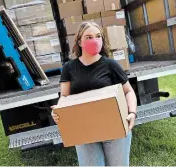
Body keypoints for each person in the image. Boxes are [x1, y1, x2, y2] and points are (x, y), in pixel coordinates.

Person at [51, 22, 137, 166]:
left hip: (114, 127)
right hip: (84, 131)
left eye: (98, 36)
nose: (94, 40)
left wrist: (132, 113)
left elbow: (128, 91)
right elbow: (64, 97)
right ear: (80, 41)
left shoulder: (111, 65)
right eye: (89, 37)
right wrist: (59, 111)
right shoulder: (69, 68)